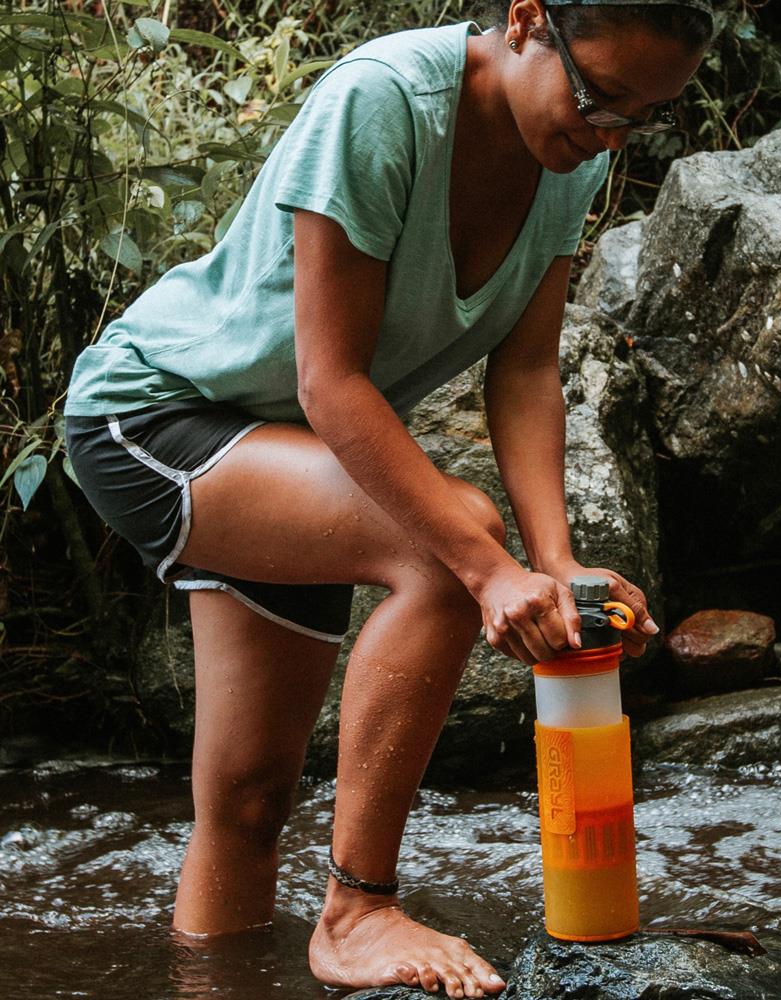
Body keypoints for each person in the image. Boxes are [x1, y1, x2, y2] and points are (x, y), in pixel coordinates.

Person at [63, 0, 711, 994]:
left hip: (293, 453)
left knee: (246, 800)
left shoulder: (569, 160)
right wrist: (491, 568)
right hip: (158, 417)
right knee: (445, 546)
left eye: (641, 116)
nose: (609, 134)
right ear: (529, 19)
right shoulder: (385, 101)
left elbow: (528, 370)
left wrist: (558, 562)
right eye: (600, 97)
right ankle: (356, 906)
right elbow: (331, 379)